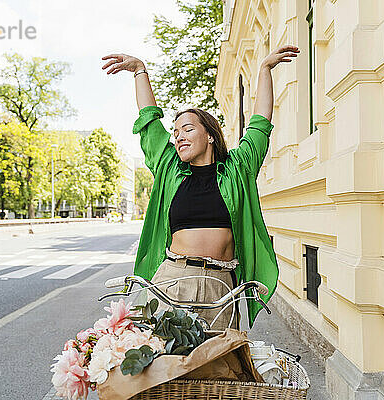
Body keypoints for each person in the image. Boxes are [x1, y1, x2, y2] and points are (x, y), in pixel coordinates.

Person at [101, 45, 300, 330]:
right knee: (168, 368)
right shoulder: (169, 169)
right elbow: (149, 124)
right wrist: (139, 71)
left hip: (221, 286)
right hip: (172, 280)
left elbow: (259, 125)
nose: (179, 136)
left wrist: (265, 70)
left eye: (188, 129)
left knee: (221, 369)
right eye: (176, 132)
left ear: (209, 135)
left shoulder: (237, 169)